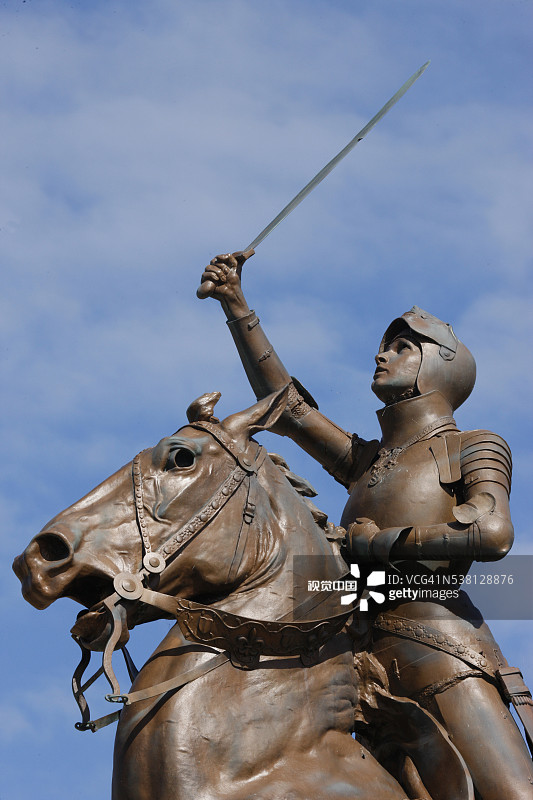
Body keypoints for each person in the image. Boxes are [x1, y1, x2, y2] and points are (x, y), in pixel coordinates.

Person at [199, 251, 533, 800]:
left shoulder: (473, 446)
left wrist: (377, 544)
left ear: (440, 363)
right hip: (358, 666)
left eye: (403, 346)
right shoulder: (368, 463)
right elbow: (287, 407)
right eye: (386, 344)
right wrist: (237, 306)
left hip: (441, 651)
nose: (382, 354)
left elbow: (494, 535)